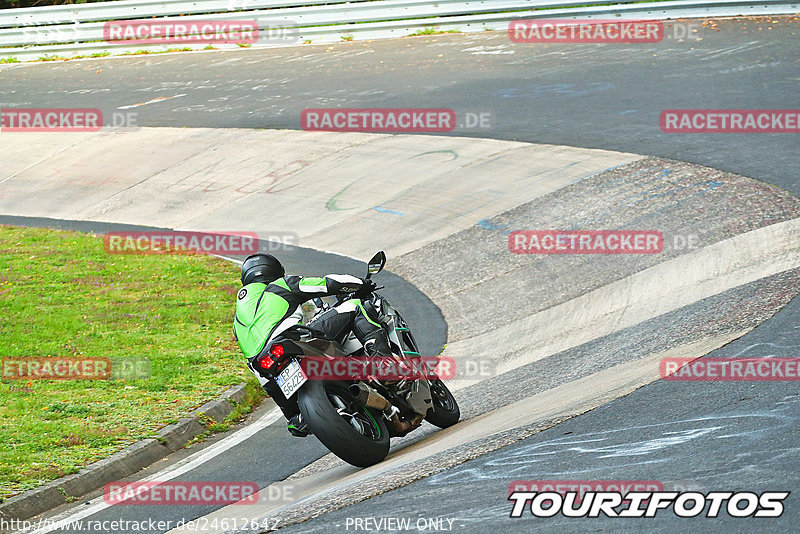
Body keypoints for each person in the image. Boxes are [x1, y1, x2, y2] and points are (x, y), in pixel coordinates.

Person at [232, 253, 392, 437]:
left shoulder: (237, 322)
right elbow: (327, 284)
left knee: (263, 374)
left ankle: (296, 417)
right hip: (291, 340)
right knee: (355, 306)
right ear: (275, 271)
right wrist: (361, 284)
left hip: (265, 367)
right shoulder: (279, 286)